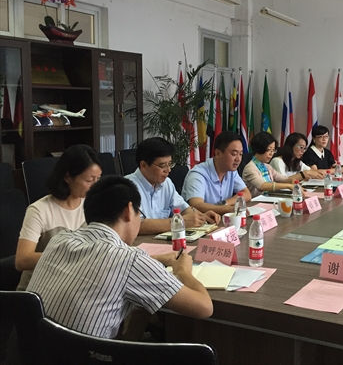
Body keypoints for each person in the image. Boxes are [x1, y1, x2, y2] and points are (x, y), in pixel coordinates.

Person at [27, 175, 213, 338]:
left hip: (32, 352)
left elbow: (101, 261)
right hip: (87, 356)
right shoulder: (130, 260)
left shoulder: (59, 240)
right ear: (129, 210)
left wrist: (159, 259)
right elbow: (204, 308)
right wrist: (183, 272)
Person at [15, 145, 102, 290]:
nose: (95, 186)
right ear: (67, 177)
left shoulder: (91, 204)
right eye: (89, 180)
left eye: (98, 179)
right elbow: (22, 260)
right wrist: (71, 256)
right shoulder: (39, 210)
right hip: (39, 289)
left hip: (74, 284)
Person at [126, 137, 220, 235]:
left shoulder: (166, 183)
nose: (168, 170)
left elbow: (184, 209)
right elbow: (136, 225)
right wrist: (180, 222)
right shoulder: (127, 187)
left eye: (170, 164)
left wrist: (201, 217)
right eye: (163, 165)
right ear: (144, 165)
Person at [182, 131, 251, 215]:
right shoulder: (198, 174)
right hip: (201, 221)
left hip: (221, 219)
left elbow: (246, 194)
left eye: (240, 154)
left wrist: (224, 204)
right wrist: (227, 209)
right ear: (218, 153)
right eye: (234, 154)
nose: (238, 159)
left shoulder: (231, 171)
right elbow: (196, 205)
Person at [242, 132, 313, 197]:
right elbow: (262, 186)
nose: (271, 154)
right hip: (254, 203)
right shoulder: (250, 168)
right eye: (268, 150)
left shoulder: (267, 166)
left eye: (273, 150)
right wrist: (288, 186)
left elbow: (284, 179)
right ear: (259, 149)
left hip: (268, 199)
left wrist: (292, 181)